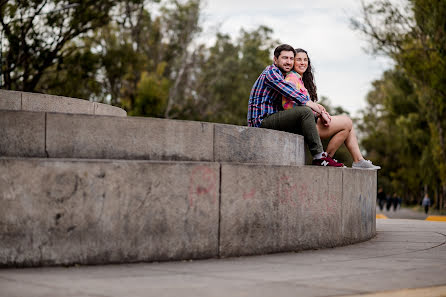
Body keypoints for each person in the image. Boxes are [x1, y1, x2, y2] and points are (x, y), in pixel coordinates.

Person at [282, 48, 380, 170]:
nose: (303, 63)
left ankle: (356, 160)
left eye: (305, 60)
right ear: (293, 63)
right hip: (302, 126)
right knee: (347, 122)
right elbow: (290, 106)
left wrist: (320, 110)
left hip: (309, 122)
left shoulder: (299, 80)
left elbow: (304, 104)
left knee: (348, 125)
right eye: (299, 60)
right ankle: (326, 159)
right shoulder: (292, 78)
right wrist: (318, 112)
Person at [247, 44, 343, 167]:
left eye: (291, 59)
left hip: (273, 118)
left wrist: (318, 112)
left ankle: (328, 158)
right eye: (285, 58)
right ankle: (319, 157)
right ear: (275, 60)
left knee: (308, 114)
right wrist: (312, 105)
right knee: (305, 111)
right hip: (261, 122)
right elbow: (289, 91)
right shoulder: (271, 72)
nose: (288, 62)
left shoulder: (283, 74)